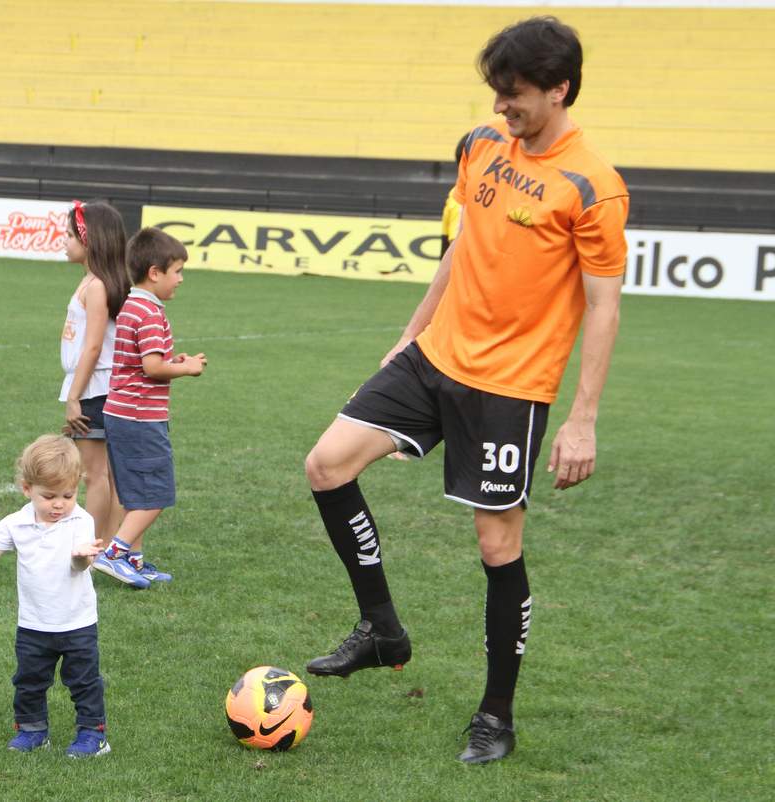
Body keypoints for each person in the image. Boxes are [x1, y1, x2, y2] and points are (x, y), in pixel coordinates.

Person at [301, 16, 628, 765]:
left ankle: (495, 715)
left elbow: (604, 305)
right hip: (434, 357)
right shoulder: (480, 145)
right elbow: (464, 247)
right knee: (326, 465)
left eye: (513, 96)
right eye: (496, 93)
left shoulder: (594, 186)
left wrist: (583, 419)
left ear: (559, 89)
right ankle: (381, 629)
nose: (501, 108)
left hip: (511, 386)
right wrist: (412, 330)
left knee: (495, 545)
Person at [0, 435, 109, 758]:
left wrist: (81, 555)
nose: (59, 504)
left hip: (77, 623)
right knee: (29, 681)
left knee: (84, 682)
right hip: (33, 624)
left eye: (68, 495)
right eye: (49, 496)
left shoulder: (81, 521)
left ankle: (93, 734)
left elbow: (80, 565)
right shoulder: (17, 523)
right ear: (27, 489)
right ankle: (33, 732)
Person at [92, 228, 207, 589]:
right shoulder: (150, 313)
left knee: (135, 494)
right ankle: (113, 555)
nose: (181, 280)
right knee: (156, 492)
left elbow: (142, 360)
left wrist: (173, 360)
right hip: (140, 417)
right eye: (177, 271)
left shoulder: (133, 305)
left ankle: (134, 560)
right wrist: (186, 368)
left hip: (122, 413)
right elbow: (152, 368)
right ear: (155, 272)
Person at [60, 200, 129, 540]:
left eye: (71, 234)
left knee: (95, 475)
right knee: (103, 475)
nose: (65, 240)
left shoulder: (97, 285)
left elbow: (93, 346)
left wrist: (74, 396)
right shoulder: (92, 281)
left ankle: (97, 547)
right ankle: (110, 547)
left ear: (91, 240)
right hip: (93, 386)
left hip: (95, 389)